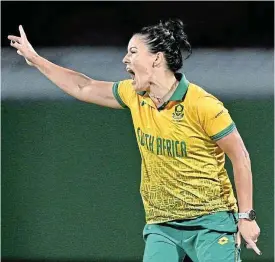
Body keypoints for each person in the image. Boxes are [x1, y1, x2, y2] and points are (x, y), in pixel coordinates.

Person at [8, 19, 261, 262]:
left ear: (156, 59)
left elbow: (240, 157)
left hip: (211, 223)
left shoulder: (203, 105)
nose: (125, 59)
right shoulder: (134, 95)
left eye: (132, 52)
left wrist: (246, 217)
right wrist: (37, 60)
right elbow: (83, 87)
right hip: (162, 225)